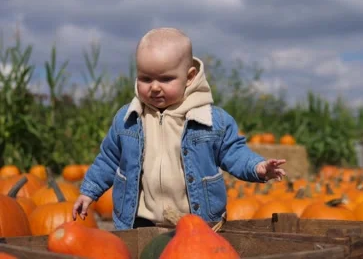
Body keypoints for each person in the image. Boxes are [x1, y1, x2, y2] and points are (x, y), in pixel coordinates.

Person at [72, 27, 287, 230]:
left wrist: (257, 167)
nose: (154, 87)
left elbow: (233, 152)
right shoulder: (128, 119)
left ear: (190, 76)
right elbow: (109, 159)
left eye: (166, 79)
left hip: (197, 220)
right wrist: (89, 192)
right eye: (145, 79)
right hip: (140, 221)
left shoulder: (211, 120)